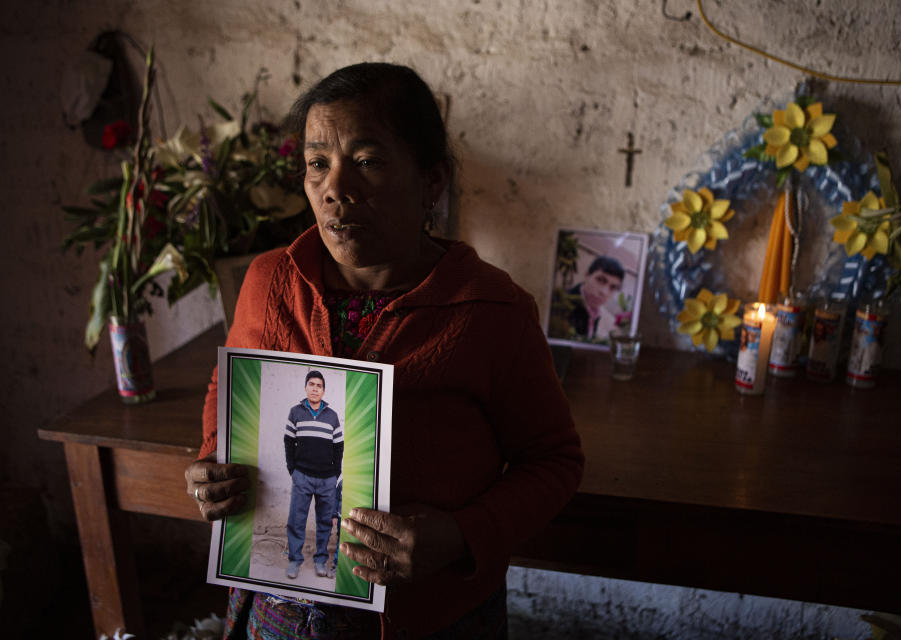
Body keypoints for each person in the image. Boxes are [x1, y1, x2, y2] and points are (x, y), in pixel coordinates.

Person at [184, 61, 584, 639]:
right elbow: (233, 390)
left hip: (427, 617)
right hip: (279, 608)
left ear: (431, 182)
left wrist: (461, 533)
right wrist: (212, 463)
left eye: (367, 163)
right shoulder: (271, 281)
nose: (334, 189)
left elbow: (554, 462)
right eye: (317, 163)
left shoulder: (492, 312)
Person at [284, 370, 343, 580]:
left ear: (323, 390)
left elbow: (338, 447)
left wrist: (335, 473)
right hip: (302, 476)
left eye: (319, 385)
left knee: (325, 522)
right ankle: (294, 561)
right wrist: (293, 469)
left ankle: (320, 561)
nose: (315, 388)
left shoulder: (332, 416)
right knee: (296, 520)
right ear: (306, 387)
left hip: (327, 479)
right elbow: (289, 442)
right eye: (311, 384)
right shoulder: (295, 412)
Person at [566, 255, 624, 339]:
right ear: (587, 275)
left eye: (613, 287)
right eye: (600, 280)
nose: (604, 292)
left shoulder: (595, 311)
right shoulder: (563, 303)